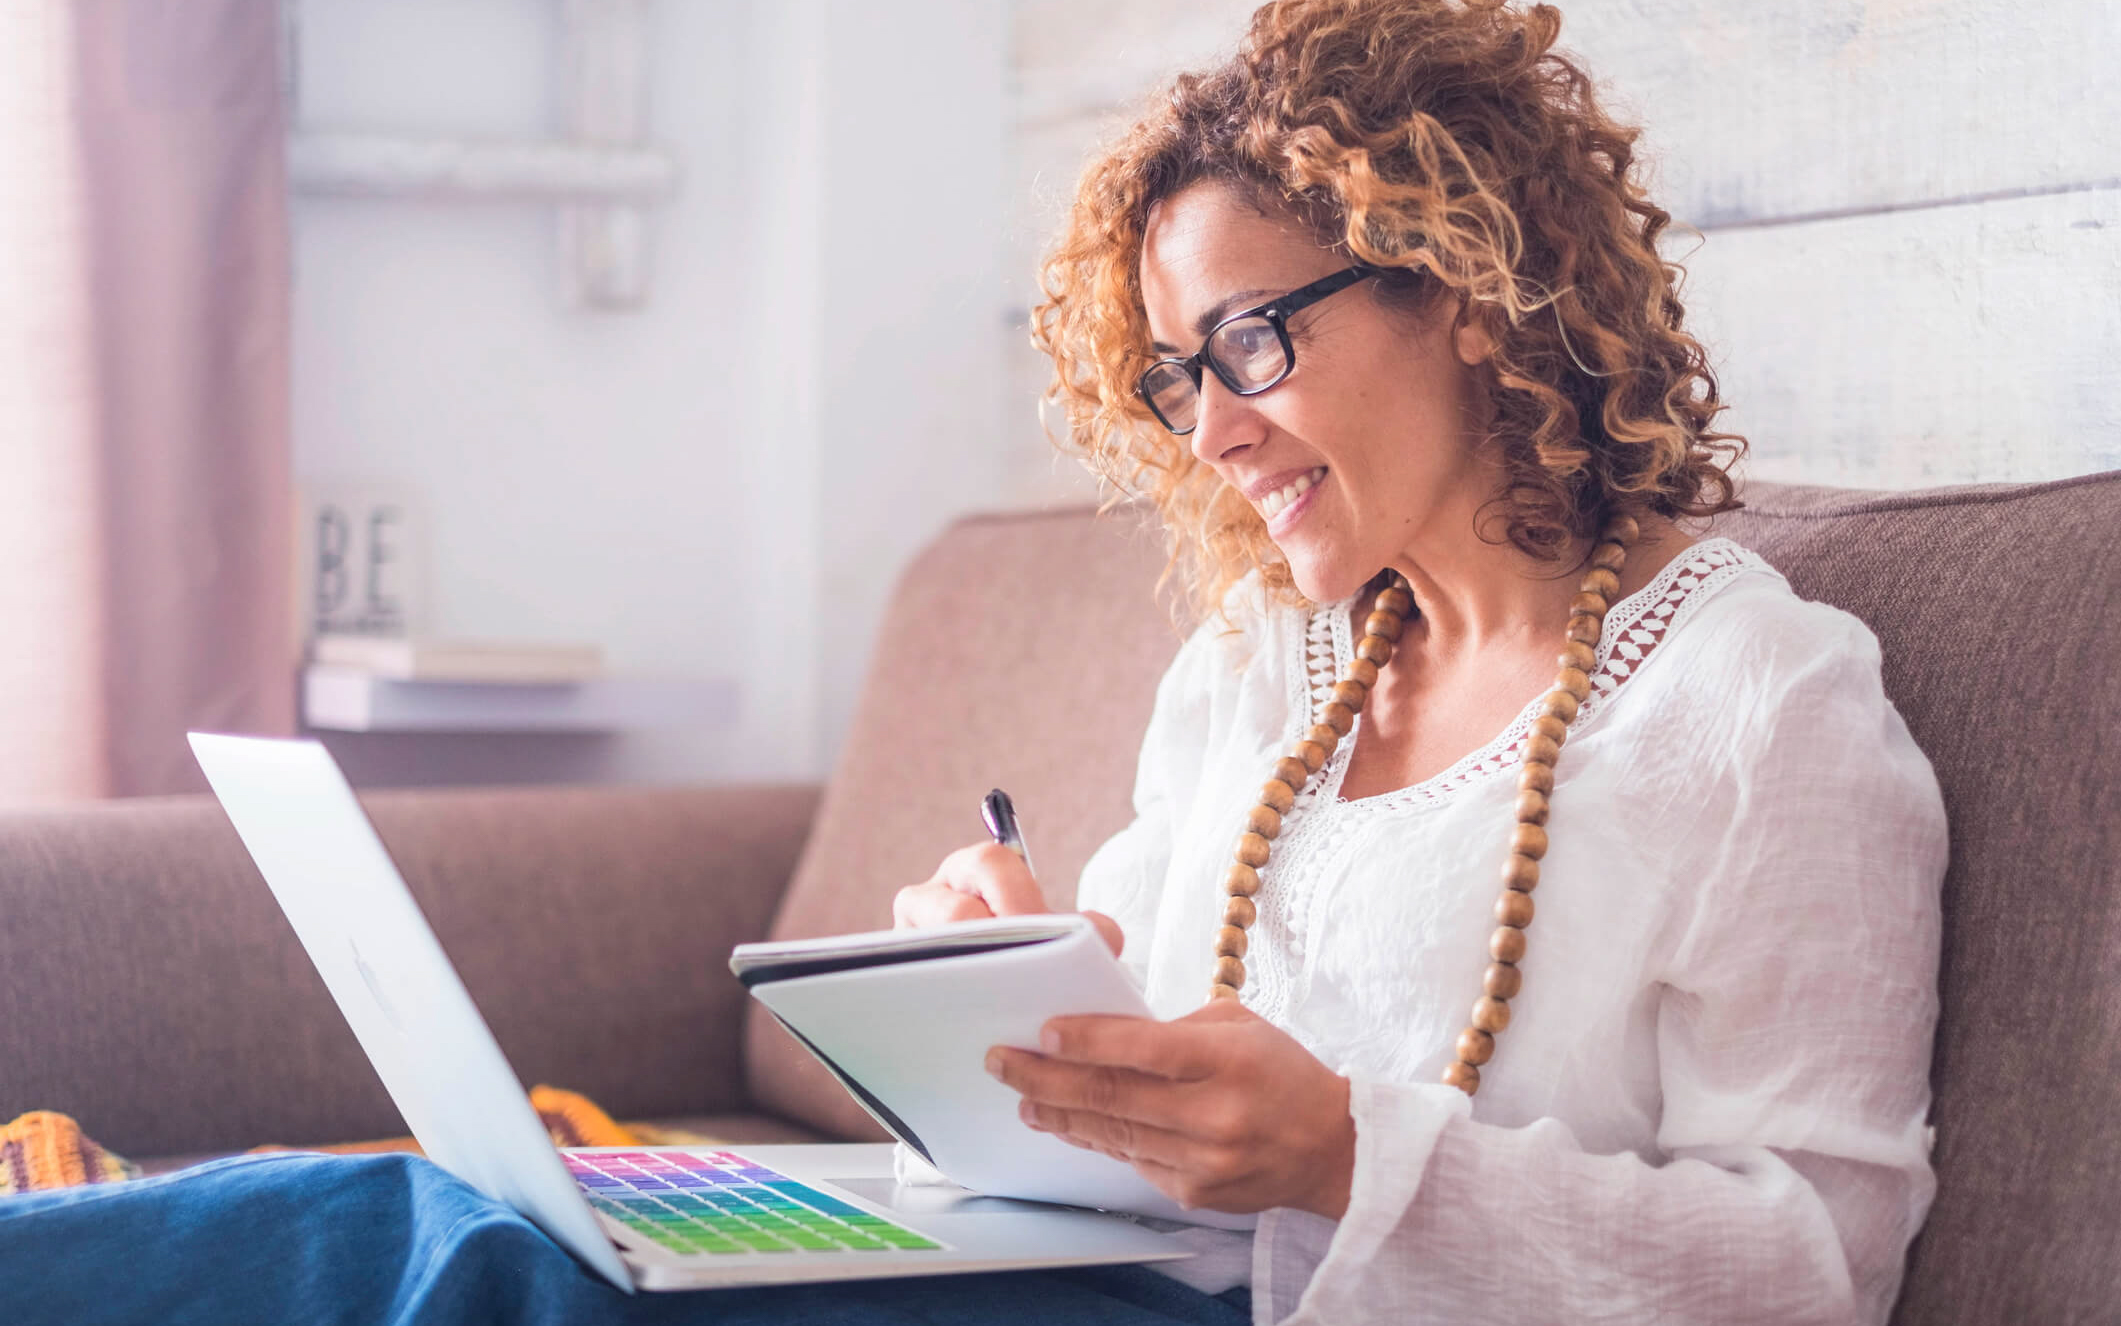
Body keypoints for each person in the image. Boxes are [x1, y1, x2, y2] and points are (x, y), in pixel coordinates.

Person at [0, 2, 1945, 1323]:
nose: (1211, 428)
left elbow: (1812, 1263)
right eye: (1176, 375)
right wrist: (1005, 984)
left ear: (1463, 282)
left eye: (1247, 342)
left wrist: (1351, 1155)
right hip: (1065, 1270)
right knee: (481, 1216)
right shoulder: (1263, 673)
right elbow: (1145, 1056)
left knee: (465, 1261)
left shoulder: (1753, 708)